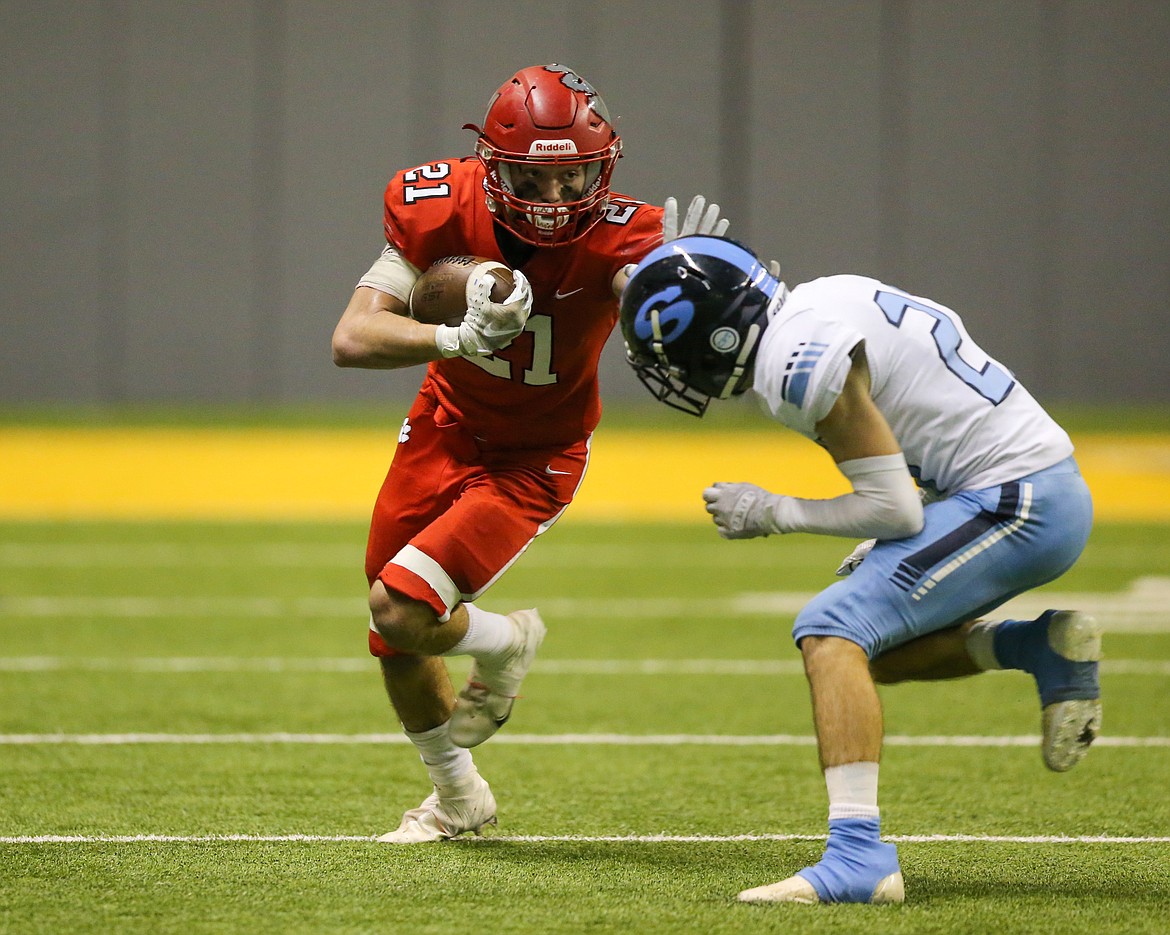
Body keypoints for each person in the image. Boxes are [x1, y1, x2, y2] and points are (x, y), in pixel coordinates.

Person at [618, 235, 1099, 905]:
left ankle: (857, 858)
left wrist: (772, 510)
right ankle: (1037, 646)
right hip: (1015, 483)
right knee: (875, 654)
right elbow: (927, 427)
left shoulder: (792, 364)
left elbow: (893, 510)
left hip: (1021, 499)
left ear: (719, 339)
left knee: (831, 627)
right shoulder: (817, 300)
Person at [331, 63, 727, 843]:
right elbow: (351, 336)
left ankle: (507, 643)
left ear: (599, 165)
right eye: (533, 178)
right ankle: (458, 798)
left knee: (400, 606)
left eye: (572, 175)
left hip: (536, 455)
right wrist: (450, 336)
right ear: (491, 166)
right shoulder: (437, 206)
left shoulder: (627, 235)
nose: (554, 200)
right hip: (445, 422)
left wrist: (692, 283)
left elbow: (688, 321)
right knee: (394, 634)